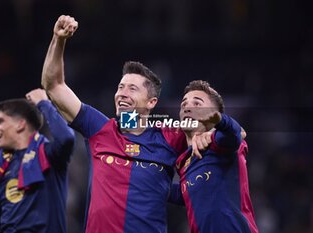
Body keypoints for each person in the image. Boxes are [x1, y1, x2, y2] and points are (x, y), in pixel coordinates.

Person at [41, 15, 215, 233]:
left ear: (152, 102)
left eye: (132, 89)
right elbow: (54, 86)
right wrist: (58, 40)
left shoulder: (168, 136)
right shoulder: (100, 128)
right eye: (120, 87)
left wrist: (211, 132)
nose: (122, 94)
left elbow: (212, 127)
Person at [169, 80, 258, 233]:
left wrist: (218, 120)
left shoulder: (219, 143)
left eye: (197, 103)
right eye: (184, 104)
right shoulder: (183, 162)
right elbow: (189, 194)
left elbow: (234, 134)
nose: (187, 107)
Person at [0, 88, 75, 233]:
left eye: (0, 121)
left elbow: (66, 138)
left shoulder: (48, 155)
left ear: (20, 124)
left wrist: (44, 103)